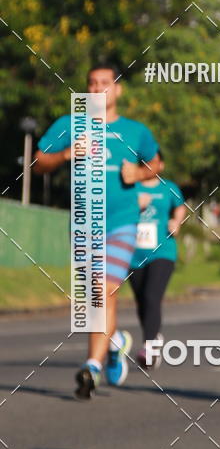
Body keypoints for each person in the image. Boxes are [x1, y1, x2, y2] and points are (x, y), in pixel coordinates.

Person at [34, 64, 161, 398]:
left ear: (118, 90)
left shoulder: (135, 131)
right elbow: (37, 162)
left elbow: (157, 164)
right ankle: (116, 342)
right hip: (83, 221)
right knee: (93, 293)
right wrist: (63, 154)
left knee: (103, 290)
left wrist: (138, 173)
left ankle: (92, 365)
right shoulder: (69, 124)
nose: (97, 89)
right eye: (92, 83)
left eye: (105, 83)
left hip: (122, 221)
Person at [129, 151, 186, 368]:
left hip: (162, 252)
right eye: (144, 163)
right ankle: (154, 338)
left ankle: (150, 346)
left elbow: (180, 206)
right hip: (134, 254)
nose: (148, 166)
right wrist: (135, 206)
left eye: (152, 162)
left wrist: (176, 221)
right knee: (142, 300)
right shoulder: (131, 187)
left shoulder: (168, 187)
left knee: (153, 296)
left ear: (161, 165)